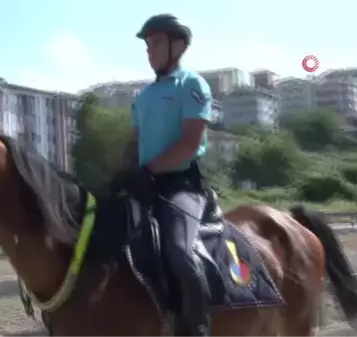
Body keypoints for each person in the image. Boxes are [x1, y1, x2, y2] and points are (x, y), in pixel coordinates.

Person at [121, 13, 213, 337]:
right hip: (144, 184)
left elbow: (190, 142)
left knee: (178, 251)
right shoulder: (143, 96)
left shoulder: (192, 85)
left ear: (178, 46)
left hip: (181, 186)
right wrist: (123, 174)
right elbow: (133, 143)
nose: (149, 50)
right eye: (147, 45)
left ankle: (198, 327)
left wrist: (149, 169)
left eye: (156, 43)